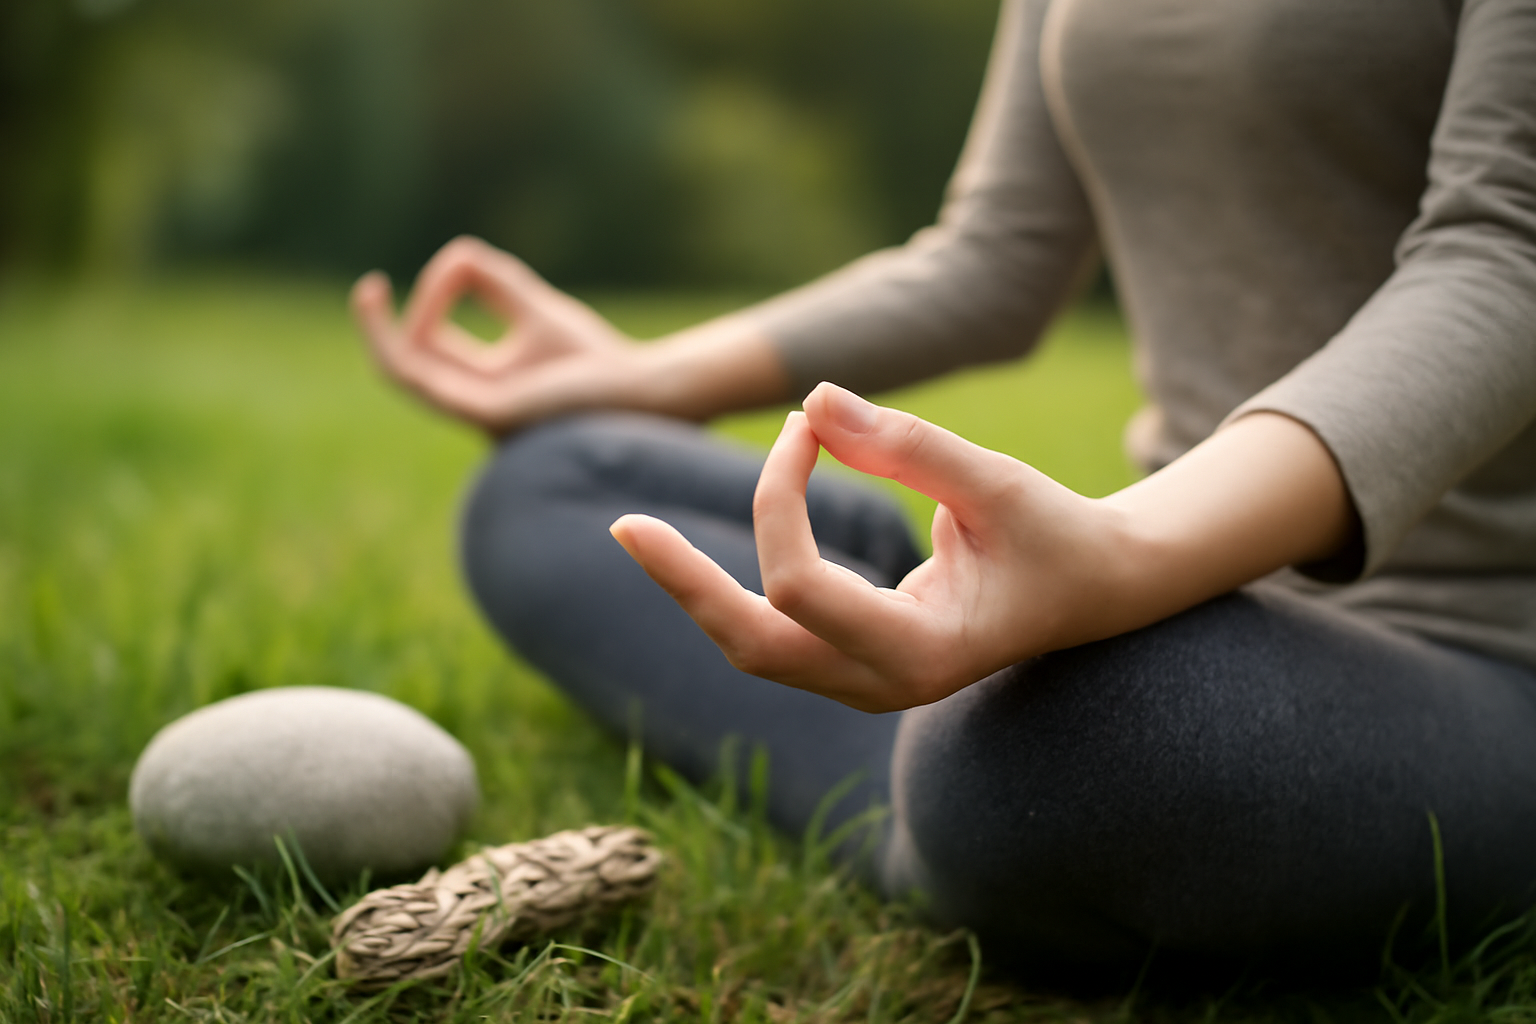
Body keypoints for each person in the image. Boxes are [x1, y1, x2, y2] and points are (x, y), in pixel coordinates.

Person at [352, 0, 1536, 975]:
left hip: (1483, 647)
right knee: (558, 482)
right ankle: (950, 724)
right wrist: (643, 378)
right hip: (1183, 592)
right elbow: (997, 252)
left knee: (1081, 735)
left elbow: (1506, 257)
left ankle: (944, 782)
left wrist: (1124, 556)